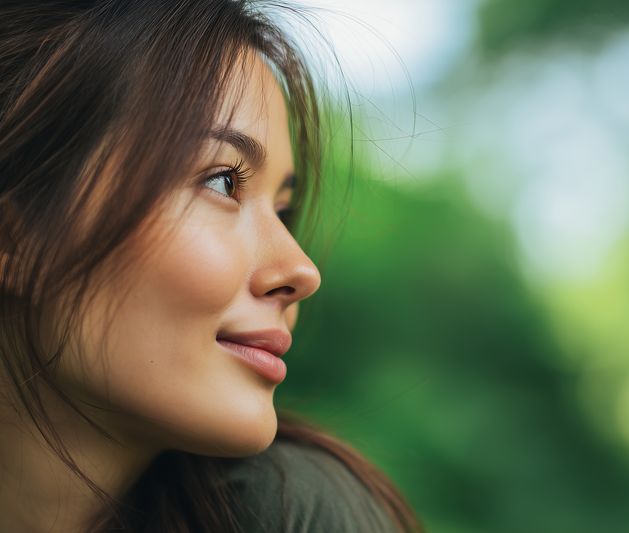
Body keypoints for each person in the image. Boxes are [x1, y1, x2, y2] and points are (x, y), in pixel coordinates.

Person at [0, 1, 421, 532]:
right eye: (224, 181)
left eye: (284, 210)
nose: (301, 270)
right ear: (13, 237)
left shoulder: (290, 512)